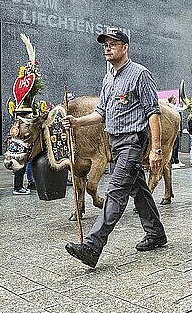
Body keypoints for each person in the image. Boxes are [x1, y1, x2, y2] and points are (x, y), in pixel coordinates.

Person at [63, 27, 167, 268]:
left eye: (112, 44)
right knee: (138, 190)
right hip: (115, 143)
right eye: (105, 45)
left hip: (133, 141)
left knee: (116, 192)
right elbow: (101, 113)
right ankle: (156, 233)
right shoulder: (108, 77)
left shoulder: (140, 74)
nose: (107, 48)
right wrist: (78, 122)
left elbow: (153, 112)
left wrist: (156, 149)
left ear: (125, 48)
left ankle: (92, 246)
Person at [167, 95, 184, 169]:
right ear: (172, 100)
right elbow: (182, 109)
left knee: (176, 146)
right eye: (175, 99)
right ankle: (172, 161)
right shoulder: (171, 107)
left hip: (177, 130)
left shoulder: (173, 107)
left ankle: (176, 160)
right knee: (174, 146)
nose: (176, 100)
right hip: (173, 130)